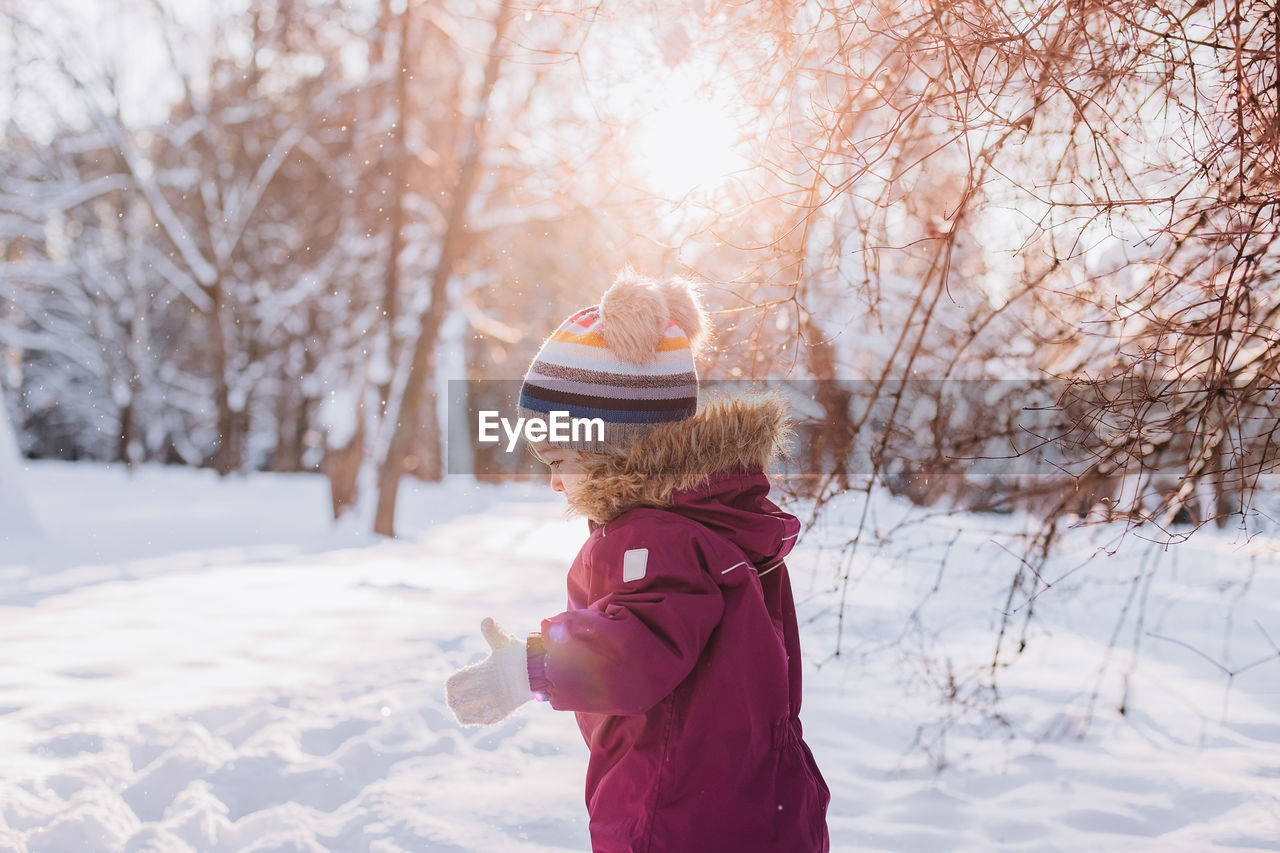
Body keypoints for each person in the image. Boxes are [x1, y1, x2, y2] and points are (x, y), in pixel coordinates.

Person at [445, 270, 830, 852]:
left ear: (612, 450)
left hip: (680, 814)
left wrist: (532, 669)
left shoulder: (658, 536)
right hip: (732, 802)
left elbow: (636, 649)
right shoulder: (696, 520)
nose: (553, 481)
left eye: (558, 458)